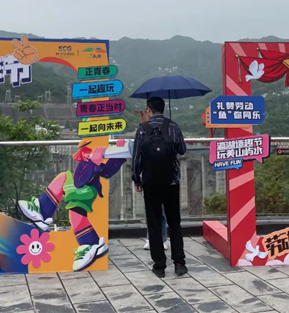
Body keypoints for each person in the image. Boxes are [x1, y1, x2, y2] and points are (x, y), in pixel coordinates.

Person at [17, 140, 126, 271]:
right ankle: (90, 244)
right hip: (83, 191)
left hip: (87, 190)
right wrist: (96, 162)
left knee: (63, 177)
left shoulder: (90, 162)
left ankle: (42, 211)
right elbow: (81, 180)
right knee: (76, 214)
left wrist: (119, 154)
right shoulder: (85, 163)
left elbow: (89, 179)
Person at [132, 97, 187, 278]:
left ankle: (159, 266)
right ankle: (179, 263)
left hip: (150, 183)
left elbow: (136, 157)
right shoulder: (174, 127)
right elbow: (182, 150)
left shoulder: (142, 129)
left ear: (148, 110)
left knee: (154, 223)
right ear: (163, 109)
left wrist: (137, 179)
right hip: (171, 181)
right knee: (174, 222)